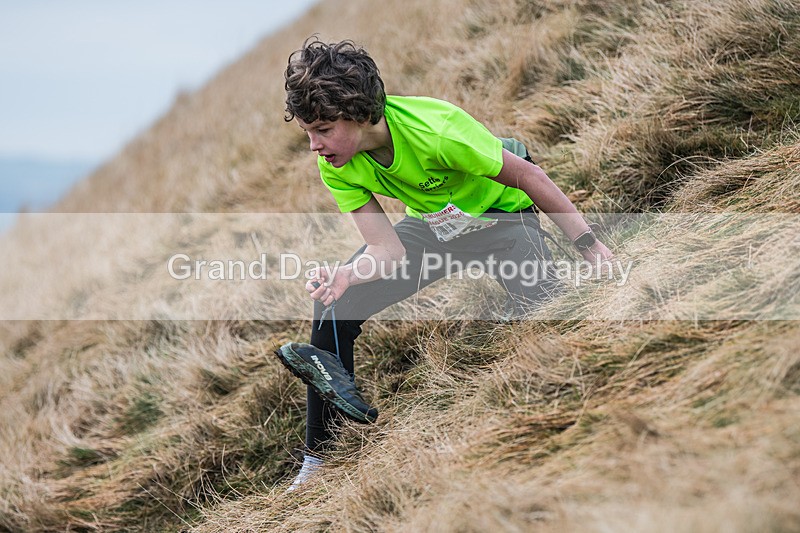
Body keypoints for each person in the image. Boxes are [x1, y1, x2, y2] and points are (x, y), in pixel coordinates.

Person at [275, 37, 613, 490]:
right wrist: (347, 275)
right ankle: (318, 459)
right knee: (335, 305)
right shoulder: (337, 162)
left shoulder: (437, 129)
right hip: (436, 230)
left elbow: (529, 176)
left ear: (357, 113)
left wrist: (589, 245)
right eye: (308, 132)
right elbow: (388, 251)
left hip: (502, 219)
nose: (315, 145)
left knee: (546, 318)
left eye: (323, 129)